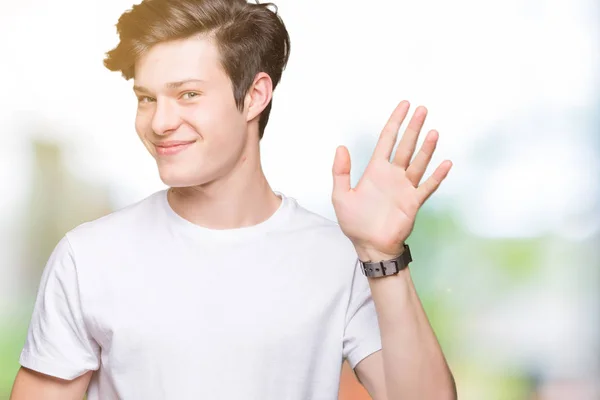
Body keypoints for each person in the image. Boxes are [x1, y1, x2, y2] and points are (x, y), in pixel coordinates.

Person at [10, 0, 456, 399]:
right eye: (147, 98)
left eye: (188, 94)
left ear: (255, 96)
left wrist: (383, 255)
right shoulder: (89, 257)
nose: (160, 121)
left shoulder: (340, 258)